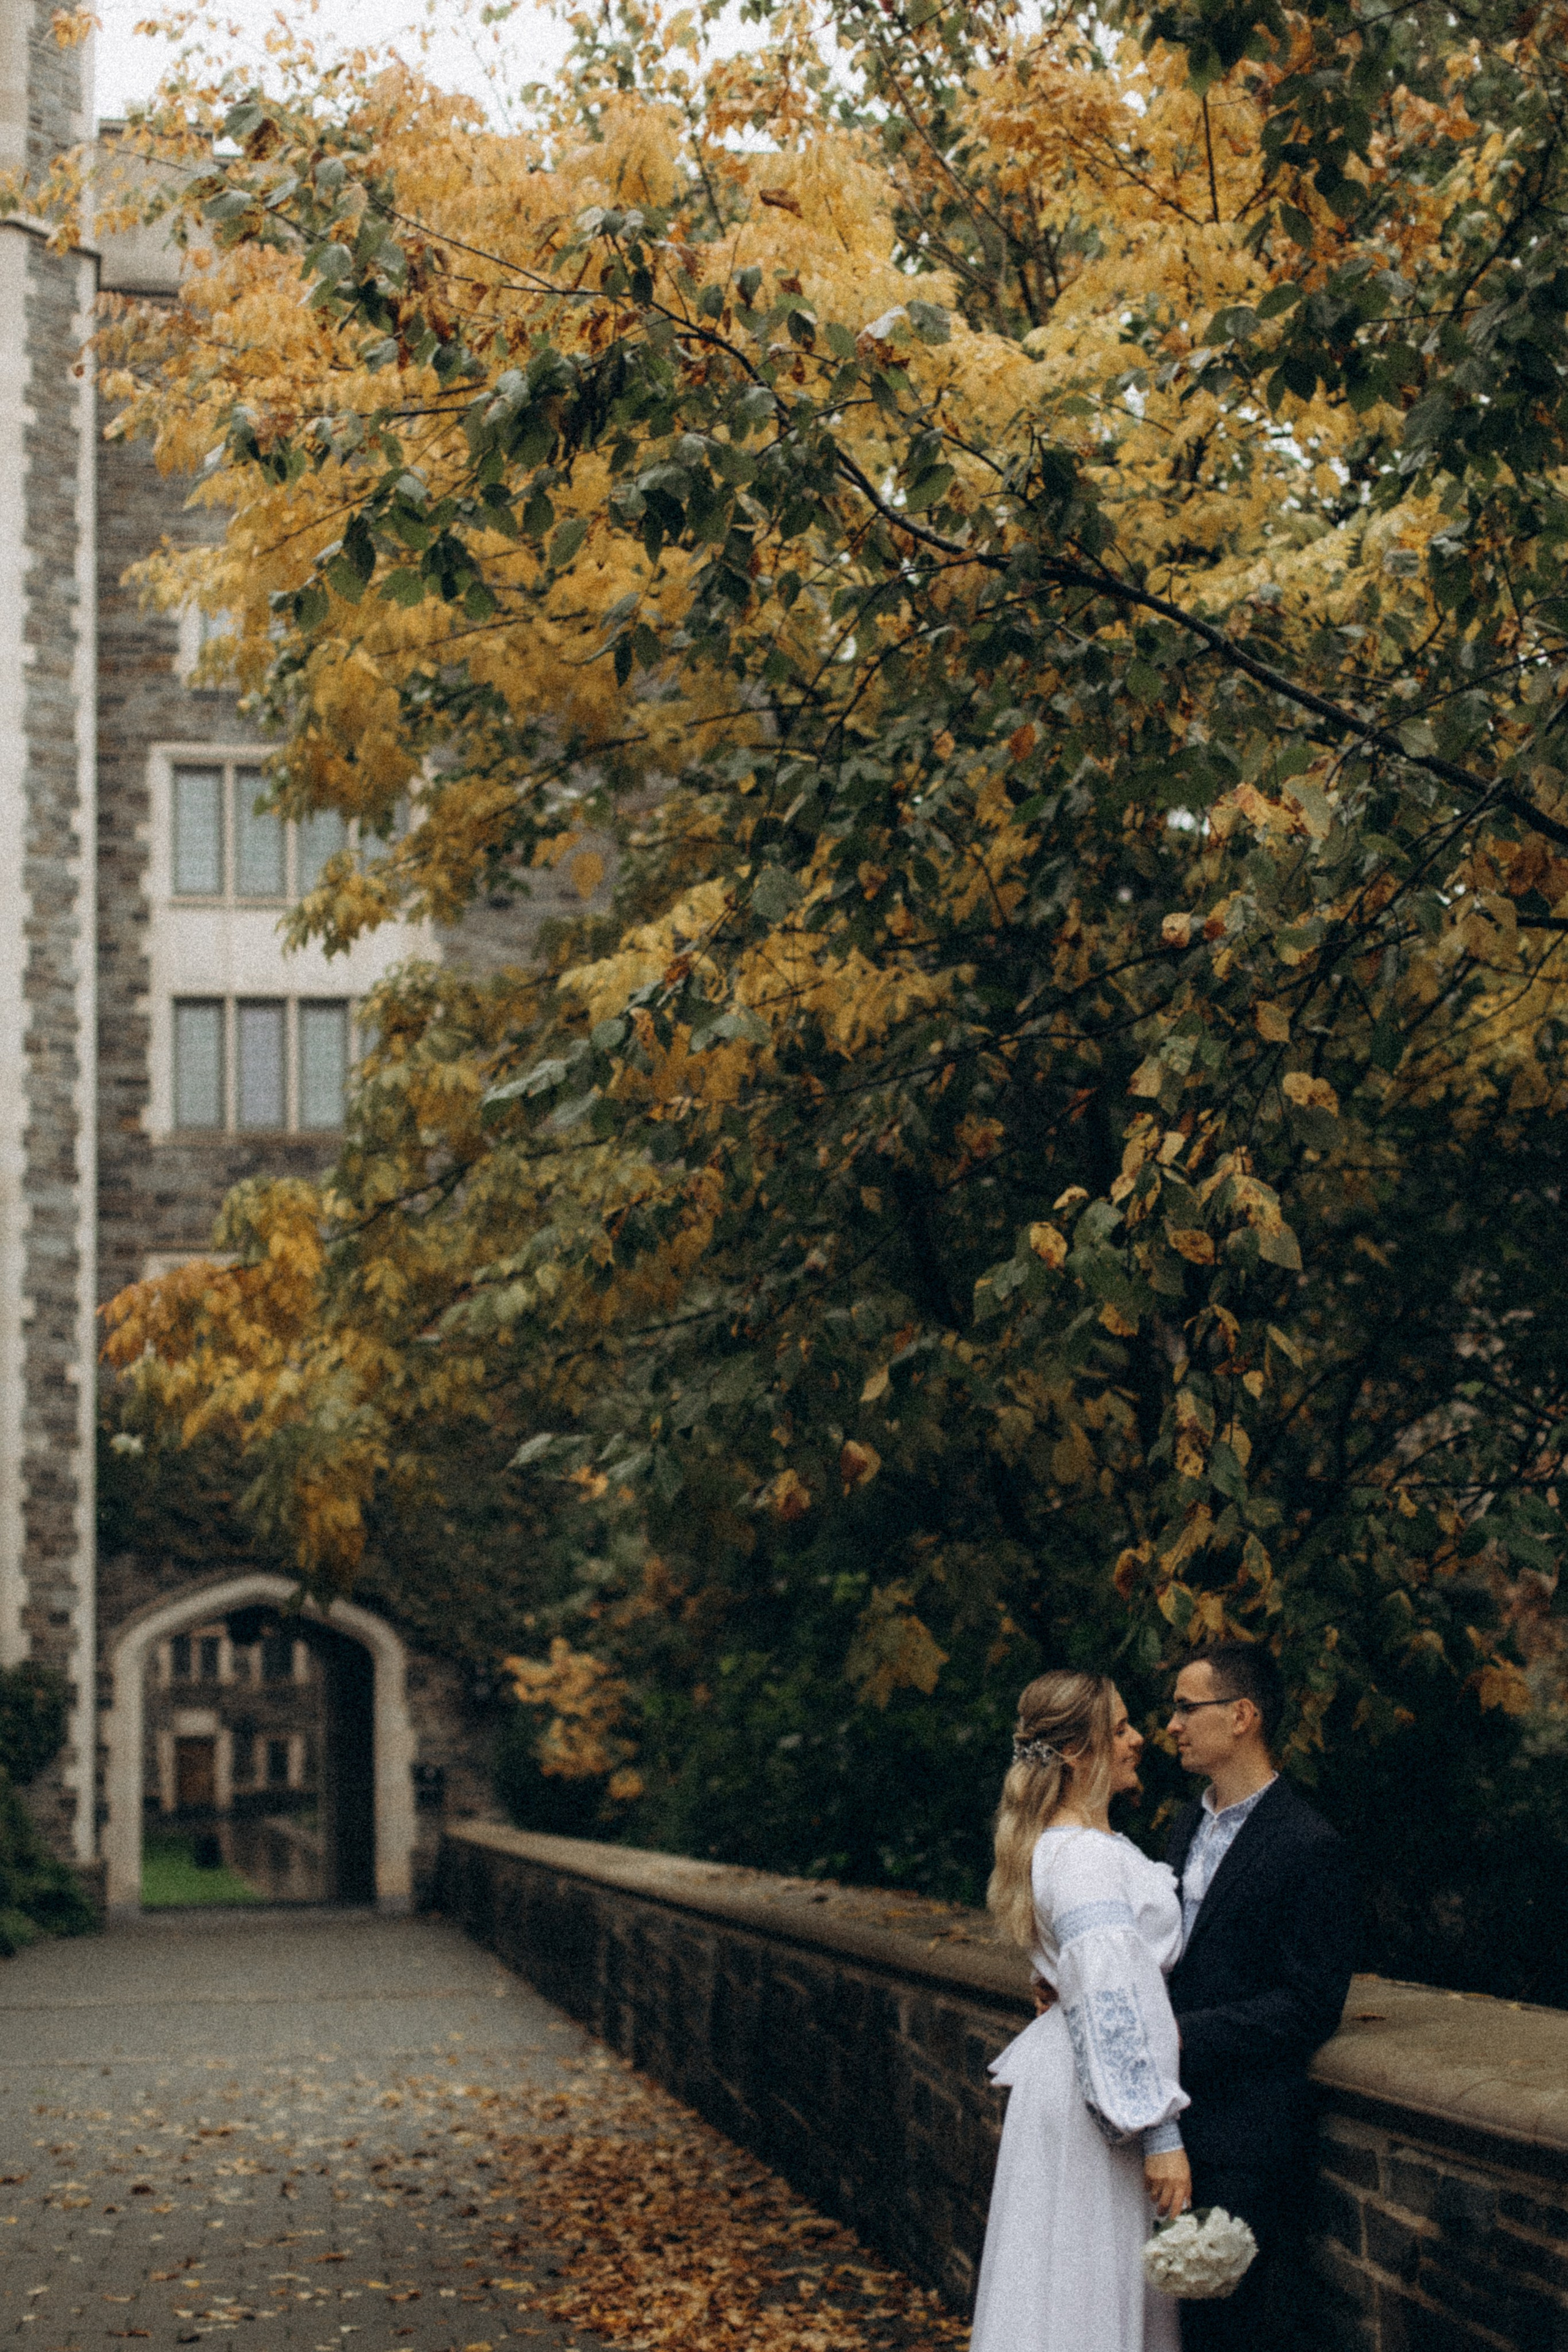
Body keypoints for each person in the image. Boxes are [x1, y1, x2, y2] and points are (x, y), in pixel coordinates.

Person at [971, 1670, 1189, 2352]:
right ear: (1076, 1752)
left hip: (1075, 2085)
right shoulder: (1084, 1858)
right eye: (1119, 1727)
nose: (1137, 1739)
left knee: (1067, 2277)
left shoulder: (1070, 1848)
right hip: (1104, 2110)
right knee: (1084, 2284)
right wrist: (1159, 2135)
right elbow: (1111, 1997)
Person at [1164, 1642, 1357, 2351]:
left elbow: (1308, 2005)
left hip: (1243, 2135)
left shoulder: (1310, 1845)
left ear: (1242, 1715)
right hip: (1166, 2126)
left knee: (1226, 2333)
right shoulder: (1186, 1825)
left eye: (1188, 1706)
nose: (1173, 1724)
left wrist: (1185, 2034)